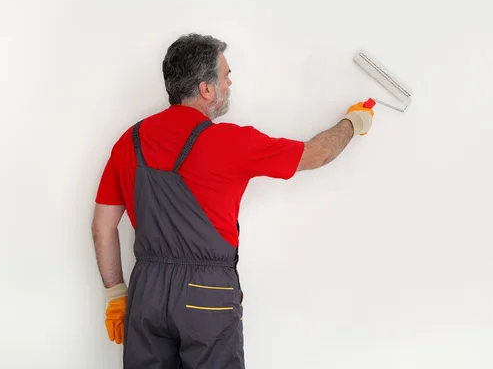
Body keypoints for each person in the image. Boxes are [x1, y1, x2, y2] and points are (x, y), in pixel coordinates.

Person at [91, 33, 374, 369]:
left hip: (146, 295)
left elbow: (102, 227)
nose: (229, 82)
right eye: (225, 75)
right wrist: (353, 122)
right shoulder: (230, 142)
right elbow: (316, 154)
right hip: (206, 295)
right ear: (206, 89)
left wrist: (115, 295)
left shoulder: (129, 141)